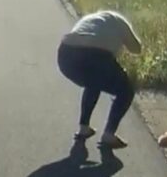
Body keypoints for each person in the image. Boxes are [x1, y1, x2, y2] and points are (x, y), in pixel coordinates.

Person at [57, 10, 142, 149]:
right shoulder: (120, 22)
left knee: (93, 81)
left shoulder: (89, 19)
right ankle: (109, 135)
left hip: (65, 54)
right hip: (96, 54)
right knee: (126, 91)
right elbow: (136, 49)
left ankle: (84, 127)